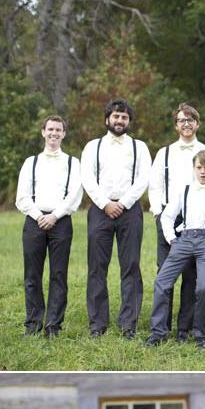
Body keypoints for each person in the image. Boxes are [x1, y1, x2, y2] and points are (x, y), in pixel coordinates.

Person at [148, 105, 205, 342]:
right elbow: (155, 184)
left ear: (197, 124)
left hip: (201, 220)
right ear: (176, 125)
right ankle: (161, 329)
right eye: (182, 120)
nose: (186, 124)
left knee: (193, 279)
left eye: (191, 120)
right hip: (170, 217)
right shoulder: (165, 153)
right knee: (165, 273)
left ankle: (185, 328)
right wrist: (158, 212)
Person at [80, 99, 151, 338]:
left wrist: (123, 203)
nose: (120, 121)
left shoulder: (139, 147)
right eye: (116, 116)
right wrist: (105, 203)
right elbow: (87, 178)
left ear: (129, 121)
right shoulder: (93, 146)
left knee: (130, 266)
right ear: (107, 119)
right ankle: (97, 324)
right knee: (97, 267)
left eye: (124, 117)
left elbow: (143, 178)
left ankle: (128, 323)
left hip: (129, 210)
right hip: (100, 209)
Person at [15, 115, 83, 337]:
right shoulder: (31, 162)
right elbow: (22, 196)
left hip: (61, 222)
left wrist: (54, 216)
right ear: (43, 132)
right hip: (34, 221)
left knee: (58, 274)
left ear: (64, 134)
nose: (54, 133)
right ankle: (33, 324)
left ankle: (53, 325)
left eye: (58, 130)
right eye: (50, 129)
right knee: (32, 275)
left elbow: (75, 196)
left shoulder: (73, 163)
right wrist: (39, 216)